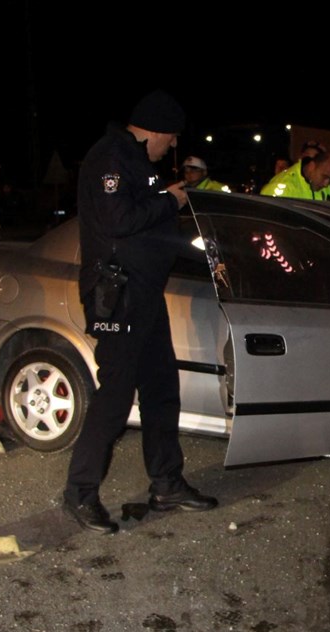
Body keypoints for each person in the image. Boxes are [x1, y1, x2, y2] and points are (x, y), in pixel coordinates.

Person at [64, 89, 218, 534]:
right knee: (114, 397)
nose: (172, 147)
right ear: (152, 129)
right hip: (119, 294)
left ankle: (167, 484)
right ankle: (79, 493)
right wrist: (170, 200)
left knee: (161, 389)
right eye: (169, 138)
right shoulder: (110, 157)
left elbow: (148, 228)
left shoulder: (136, 161)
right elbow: (117, 220)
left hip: (145, 294)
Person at [260, 150, 330, 201]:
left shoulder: (326, 188)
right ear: (311, 167)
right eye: (325, 177)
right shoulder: (282, 187)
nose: (326, 184)